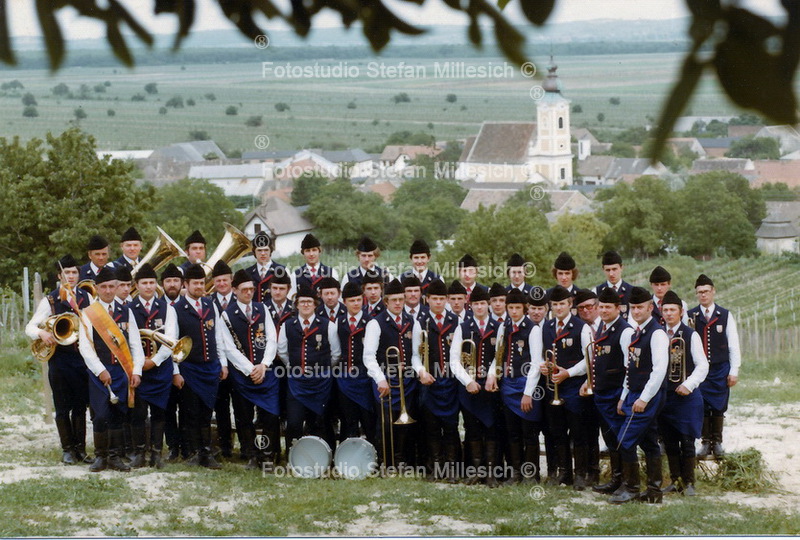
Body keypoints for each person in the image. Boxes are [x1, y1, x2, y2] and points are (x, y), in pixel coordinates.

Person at [78, 266, 146, 472]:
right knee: (100, 414)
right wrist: (100, 370)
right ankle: (101, 457)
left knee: (118, 414)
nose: (108, 291)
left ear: (117, 287)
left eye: (111, 286)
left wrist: (137, 371)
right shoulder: (89, 313)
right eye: (104, 287)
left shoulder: (127, 311)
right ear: (96, 288)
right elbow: (85, 346)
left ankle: (115, 457)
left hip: (122, 371)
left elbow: (135, 344)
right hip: (100, 372)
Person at [25, 255, 92, 464]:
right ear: (59, 276)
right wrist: (42, 334)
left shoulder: (87, 298)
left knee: (81, 406)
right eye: (67, 273)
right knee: (63, 407)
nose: (70, 276)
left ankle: (81, 450)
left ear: (78, 275)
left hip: (82, 359)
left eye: (74, 273)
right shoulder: (51, 300)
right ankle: (68, 450)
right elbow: (30, 326)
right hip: (60, 361)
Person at [609, 286, 668, 504]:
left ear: (650, 307)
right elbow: (630, 368)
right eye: (633, 307)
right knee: (649, 441)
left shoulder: (657, 333)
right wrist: (624, 395)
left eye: (640, 307)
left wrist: (644, 398)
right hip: (634, 393)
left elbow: (659, 370)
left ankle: (632, 488)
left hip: (648, 395)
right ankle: (654, 491)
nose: (636, 311)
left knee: (624, 440)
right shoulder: (636, 331)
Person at [221, 270, 280, 470]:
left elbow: (272, 339)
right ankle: (252, 455)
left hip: (265, 371)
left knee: (271, 415)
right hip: (243, 375)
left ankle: (268, 455)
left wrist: (263, 365)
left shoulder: (262, 308)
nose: (248, 293)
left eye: (251, 289)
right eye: (244, 290)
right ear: (234, 290)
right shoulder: (227, 315)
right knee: (244, 417)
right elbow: (229, 348)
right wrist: (250, 369)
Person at [173, 263, 228, 469]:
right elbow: (172, 343)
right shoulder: (176, 309)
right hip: (189, 368)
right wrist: (176, 372)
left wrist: (222, 363)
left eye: (201, 282)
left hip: (210, 368)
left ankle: (207, 452)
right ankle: (194, 452)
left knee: (207, 412)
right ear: (185, 285)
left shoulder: (210, 305)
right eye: (195, 283)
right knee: (191, 411)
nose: (199, 286)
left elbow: (218, 337)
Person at [486, 288, 543, 485]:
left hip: (526, 385)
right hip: (508, 385)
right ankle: (516, 473)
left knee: (529, 432)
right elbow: (498, 356)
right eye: (511, 307)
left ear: (525, 308)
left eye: (518, 307)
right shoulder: (504, 328)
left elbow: (536, 363)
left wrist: (528, 394)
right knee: (513, 432)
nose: (514, 311)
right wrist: (492, 375)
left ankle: (531, 475)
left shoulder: (533, 329)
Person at [363, 278, 422, 468]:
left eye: (401, 299)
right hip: (385, 380)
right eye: (394, 300)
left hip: (407, 381)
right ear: (386, 302)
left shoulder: (412, 322)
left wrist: (420, 371)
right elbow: (368, 357)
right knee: (385, 423)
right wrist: (380, 379)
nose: (398, 303)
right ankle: (384, 461)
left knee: (406, 424)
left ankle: (401, 459)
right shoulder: (375, 323)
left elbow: (415, 355)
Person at [580, 287, 633, 495]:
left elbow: (630, 368)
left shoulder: (625, 330)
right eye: (601, 306)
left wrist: (623, 397)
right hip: (602, 394)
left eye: (608, 307)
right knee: (610, 439)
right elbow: (596, 360)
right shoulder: (603, 327)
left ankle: (627, 482)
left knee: (621, 439)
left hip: (616, 394)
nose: (603, 310)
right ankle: (616, 479)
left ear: (618, 308)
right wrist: (589, 381)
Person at [276, 285, 341, 450]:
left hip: (321, 383)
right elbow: (282, 351)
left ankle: (324, 457)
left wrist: (323, 370)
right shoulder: (287, 325)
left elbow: (335, 353)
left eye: (309, 302)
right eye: (302, 302)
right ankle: (294, 457)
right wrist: (294, 368)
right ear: (296, 304)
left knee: (321, 421)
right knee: (294, 422)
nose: (305, 305)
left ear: (315, 305)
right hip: (297, 382)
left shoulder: (328, 325)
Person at [127, 263, 178, 468]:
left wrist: (154, 361)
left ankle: (156, 453)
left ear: (156, 285)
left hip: (160, 367)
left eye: (151, 283)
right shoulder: (129, 309)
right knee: (138, 412)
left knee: (159, 411)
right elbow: (128, 341)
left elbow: (171, 340)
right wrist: (141, 364)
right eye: (144, 283)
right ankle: (140, 452)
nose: (148, 287)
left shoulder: (167, 308)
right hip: (138, 369)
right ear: (136, 285)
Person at [449, 286, 501, 487]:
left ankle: (491, 473)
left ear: (488, 304)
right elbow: (454, 361)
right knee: (472, 429)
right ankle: (477, 471)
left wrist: (491, 375)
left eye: (482, 303)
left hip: (491, 385)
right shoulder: (463, 327)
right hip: (469, 385)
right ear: (470, 306)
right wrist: (468, 381)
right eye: (475, 304)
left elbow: (500, 355)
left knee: (491, 429)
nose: (479, 307)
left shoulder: (499, 326)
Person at [541, 285, 592, 489]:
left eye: (562, 304)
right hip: (554, 388)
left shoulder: (582, 327)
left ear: (570, 305)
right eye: (555, 304)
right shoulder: (546, 327)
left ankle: (580, 474)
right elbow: (544, 354)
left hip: (573, 387)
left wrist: (568, 373)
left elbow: (589, 359)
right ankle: (565, 473)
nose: (558, 308)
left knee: (578, 433)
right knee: (558, 433)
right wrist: (545, 367)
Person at [658, 290, 708, 496]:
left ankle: (689, 483)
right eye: (666, 310)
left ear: (681, 312)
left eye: (673, 310)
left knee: (687, 441)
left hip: (686, 397)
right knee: (669, 441)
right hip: (666, 396)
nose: (669, 313)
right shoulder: (659, 334)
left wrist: (689, 384)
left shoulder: (690, 334)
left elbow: (703, 365)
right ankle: (675, 480)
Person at [688, 274, 741, 460]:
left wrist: (734, 370)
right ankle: (704, 443)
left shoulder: (724, 315)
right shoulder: (691, 315)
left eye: (706, 291)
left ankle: (717, 442)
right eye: (699, 292)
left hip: (720, 368)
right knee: (701, 404)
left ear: (713, 291)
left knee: (719, 405)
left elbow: (733, 345)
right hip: (700, 370)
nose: (703, 295)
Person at [416, 280, 461, 482]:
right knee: (432, 426)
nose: (438, 303)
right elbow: (415, 355)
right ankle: (435, 467)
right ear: (427, 300)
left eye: (442, 299)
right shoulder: (420, 321)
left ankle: (451, 469)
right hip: (430, 381)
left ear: (447, 300)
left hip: (450, 382)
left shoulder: (455, 320)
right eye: (434, 299)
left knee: (451, 426)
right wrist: (421, 372)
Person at [335, 282, 376, 444]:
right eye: (352, 301)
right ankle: (347, 459)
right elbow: (335, 353)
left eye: (359, 300)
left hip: (365, 378)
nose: (356, 304)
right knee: (347, 419)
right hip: (345, 379)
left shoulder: (371, 322)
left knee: (368, 419)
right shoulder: (337, 323)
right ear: (344, 302)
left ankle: (374, 458)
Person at [574, 288, 602, 486]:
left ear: (597, 307)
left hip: (605, 385)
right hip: (582, 386)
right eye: (581, 308)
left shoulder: (606, 326)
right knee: (585, 430)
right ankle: (587, 472)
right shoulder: (577, 329)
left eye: (589, 306)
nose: (585, 311)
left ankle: (602, 472)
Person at [159, 263, 186, 462]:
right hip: (166, 365)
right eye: (168, 281)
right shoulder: (160, 306)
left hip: (188, 365)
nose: (172, 284)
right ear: (163, 284)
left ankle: (186, 446)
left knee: (186, 408)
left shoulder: (187, 304)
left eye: (176, 281)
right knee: (168, 409)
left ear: (182, 283)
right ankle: (173, 447)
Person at [210, 260, 236, 458]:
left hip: (239, 362)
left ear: (231, 280)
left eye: (225, 280)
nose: (221, 284)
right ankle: (225, 446)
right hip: (219, 362)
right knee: (221, 406)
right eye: (218, 281)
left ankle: (245, 446)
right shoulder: (208, 302)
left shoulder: (241, 299)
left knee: (241, 406)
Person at [244, 230, 287, 304]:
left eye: (266, 250)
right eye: (259, 250)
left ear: (271, 251)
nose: (263, 253)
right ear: (254, 252)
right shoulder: (247, 273)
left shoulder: (282, 270)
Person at [594, 251, 633, 319]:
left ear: (621, 268)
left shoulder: (632, 291)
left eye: (614, 269)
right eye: (608, 270)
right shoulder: (596, 292)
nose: (611, 274)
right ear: (603, 269)